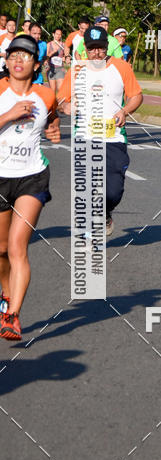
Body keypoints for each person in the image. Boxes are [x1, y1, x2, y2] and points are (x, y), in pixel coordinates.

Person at [0, 35, 60, 340]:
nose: (18, 60)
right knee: (0, 251)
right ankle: (6, 296)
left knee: (16, 247)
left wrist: (54, 129)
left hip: (33, 175)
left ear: (35, 64)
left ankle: (12, 315)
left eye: (25, 56)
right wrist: (10, 115)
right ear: (7, 61)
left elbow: (52, 120)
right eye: (13, 56)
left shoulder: (46, 95)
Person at [58, 26, 142, 236]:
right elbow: (60, 99)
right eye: (92, 48)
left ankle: (105, 213)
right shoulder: (77, 70)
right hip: (84, 136)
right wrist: (65, 106)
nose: (96, 53)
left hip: (113, 137)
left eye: (101, 48)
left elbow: (136, 96)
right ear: (85, 49)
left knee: (113, 191)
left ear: (107, 47)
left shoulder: (122, 67)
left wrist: (125, 111)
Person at [46, 28, 67, 94]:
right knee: (52, 91)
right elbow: (46, 57)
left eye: (60, 34)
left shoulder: (63, 45)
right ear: (53, 34)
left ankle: (60, 104)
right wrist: (52, 52)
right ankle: (54, 104)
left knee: (60, 90)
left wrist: (65, 58)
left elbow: (66, 55)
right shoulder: (49, 44)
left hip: (60, 69)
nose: (58, 36)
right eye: (57, 34)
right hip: (51, 69)